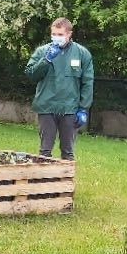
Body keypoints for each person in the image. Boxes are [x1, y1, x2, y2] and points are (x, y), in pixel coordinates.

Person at [24, 17, 94, 161]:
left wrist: (83, 108)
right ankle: (43, 182)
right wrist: (46, 60)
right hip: (46, 107)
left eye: (60, 35)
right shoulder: (42, 51)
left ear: (69, 34)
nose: (56, 38)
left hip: (70, 109)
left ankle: (66, 183)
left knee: (68, 152)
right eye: (54, 34)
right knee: (45, 152)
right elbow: (30, 75)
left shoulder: (82, 53)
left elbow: (87, 82)